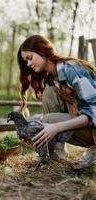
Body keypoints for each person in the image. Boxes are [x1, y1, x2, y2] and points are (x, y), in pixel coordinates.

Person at [17, 35, 96, 168]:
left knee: (48, 120)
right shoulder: (52, 78)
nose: (29, 64)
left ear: (42, 50)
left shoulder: (74, 70)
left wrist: (54, 127)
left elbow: (93, 114)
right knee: (49, 93)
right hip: (85, 126)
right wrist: (40, 135)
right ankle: (55, 152)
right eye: (26, 61)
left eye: (30, 58)